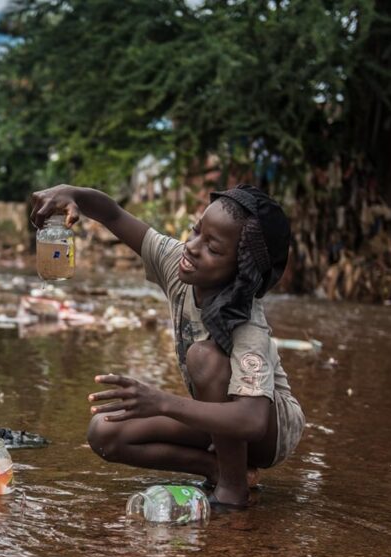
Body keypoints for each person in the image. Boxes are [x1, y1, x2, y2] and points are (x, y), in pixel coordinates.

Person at [30, 183, 305, 508]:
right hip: (222, 418)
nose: (192, 247)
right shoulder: (178, 264)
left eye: (213, 249)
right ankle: (218, 469)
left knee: (204, 357)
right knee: (105, 432)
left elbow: (253, 419)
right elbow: (113, 214)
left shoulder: (248, 323)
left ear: (241, 274)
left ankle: (233, 492)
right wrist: (72, 194)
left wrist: (161, 402)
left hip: (271, 431)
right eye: (196, 231)